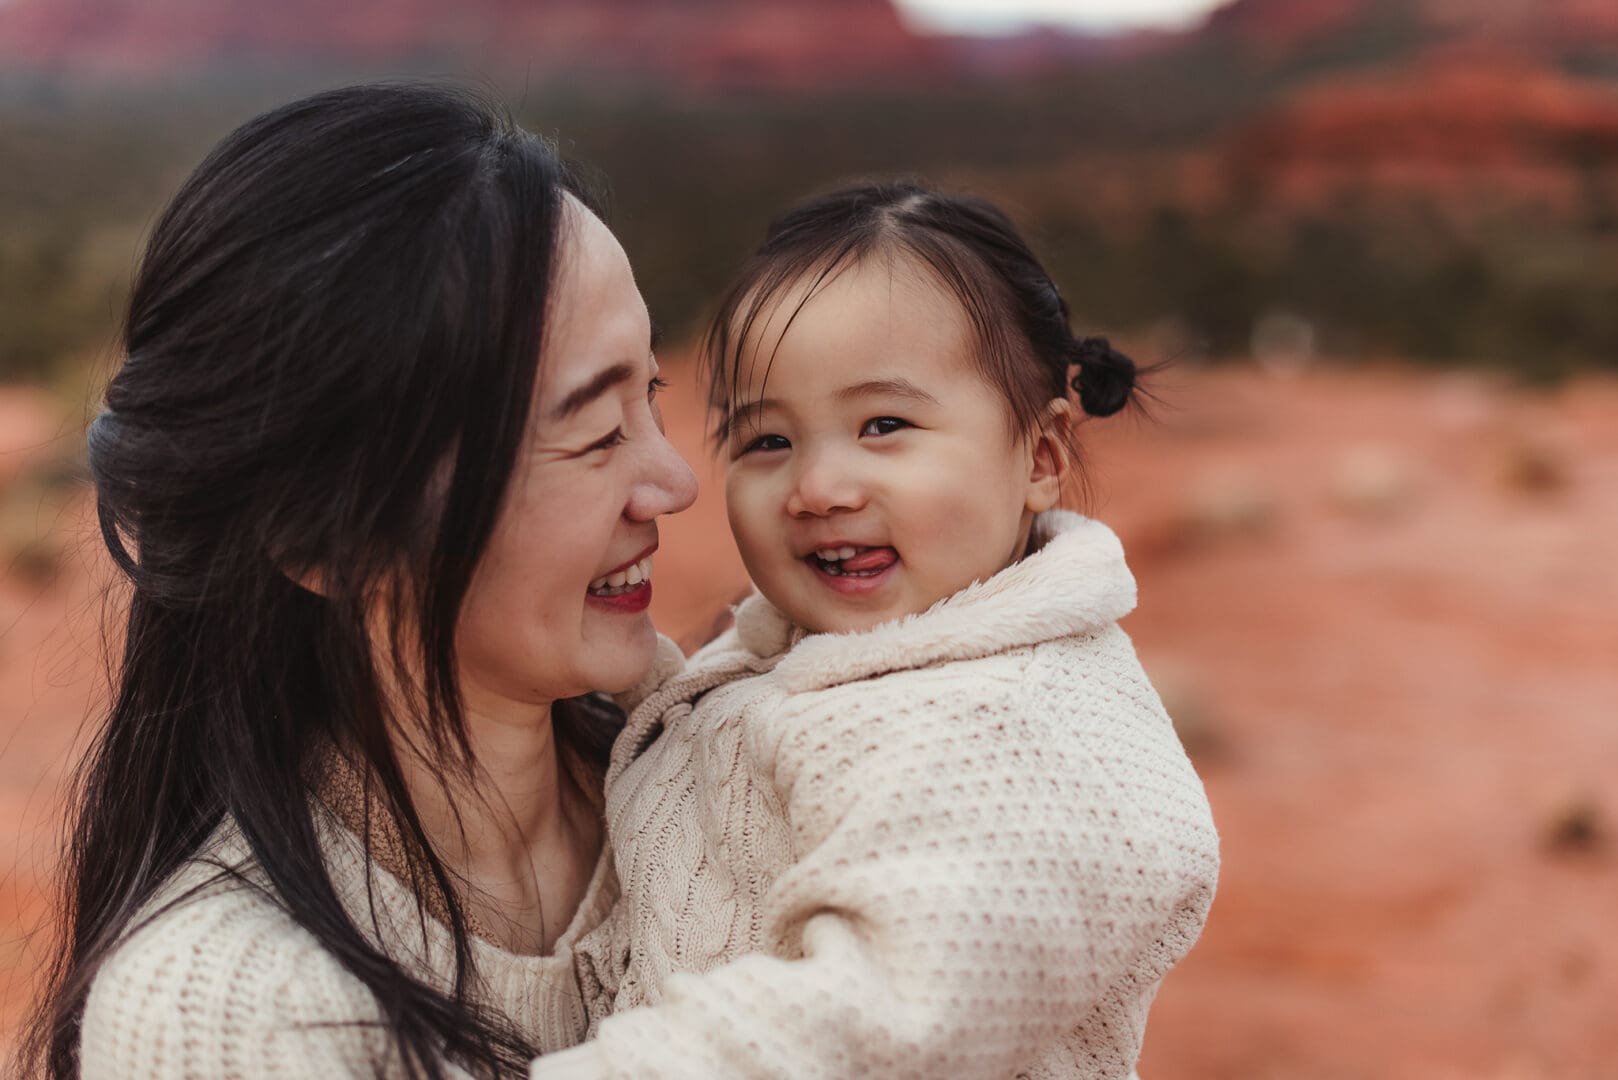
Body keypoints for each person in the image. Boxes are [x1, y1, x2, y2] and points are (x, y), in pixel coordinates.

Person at [20, 82, 697, 1080]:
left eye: (652, 396)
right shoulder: (230, 1021)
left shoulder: (725, 775)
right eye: (596, 433)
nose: (673, 483)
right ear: (321, 538)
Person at [540, 181, 1221, 1079]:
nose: (819, 488)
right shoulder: (812, 656)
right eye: (767, 442)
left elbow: (889, 1013)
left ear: (1043, 456)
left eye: (884, 425)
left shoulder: (1025, 732)